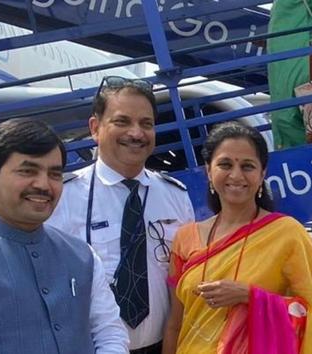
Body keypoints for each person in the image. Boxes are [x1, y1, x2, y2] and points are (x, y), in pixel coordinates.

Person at [47, 76, 195, 354]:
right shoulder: (64, 198)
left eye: (146, 124)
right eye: (122, 121)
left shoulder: (176, 196)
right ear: (95, 128)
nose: (136, 133)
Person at [0, 119, 128, 353]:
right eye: (27, 171)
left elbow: (109, 332)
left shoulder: (82, 255)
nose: (43, 184)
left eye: (54, 174)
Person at [162, 121, 312, 354]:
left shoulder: (288, 234)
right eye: (225, 164)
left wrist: (248, 296)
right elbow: (175, 324)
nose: (236, 175)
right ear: (209, 171)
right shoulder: (185, 237)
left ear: (262, 174)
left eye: (248, 166)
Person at [267, 0, 312, 149]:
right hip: (282, 54)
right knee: (282, 115)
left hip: (300, 49)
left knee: (289, 115)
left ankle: (310, 157)